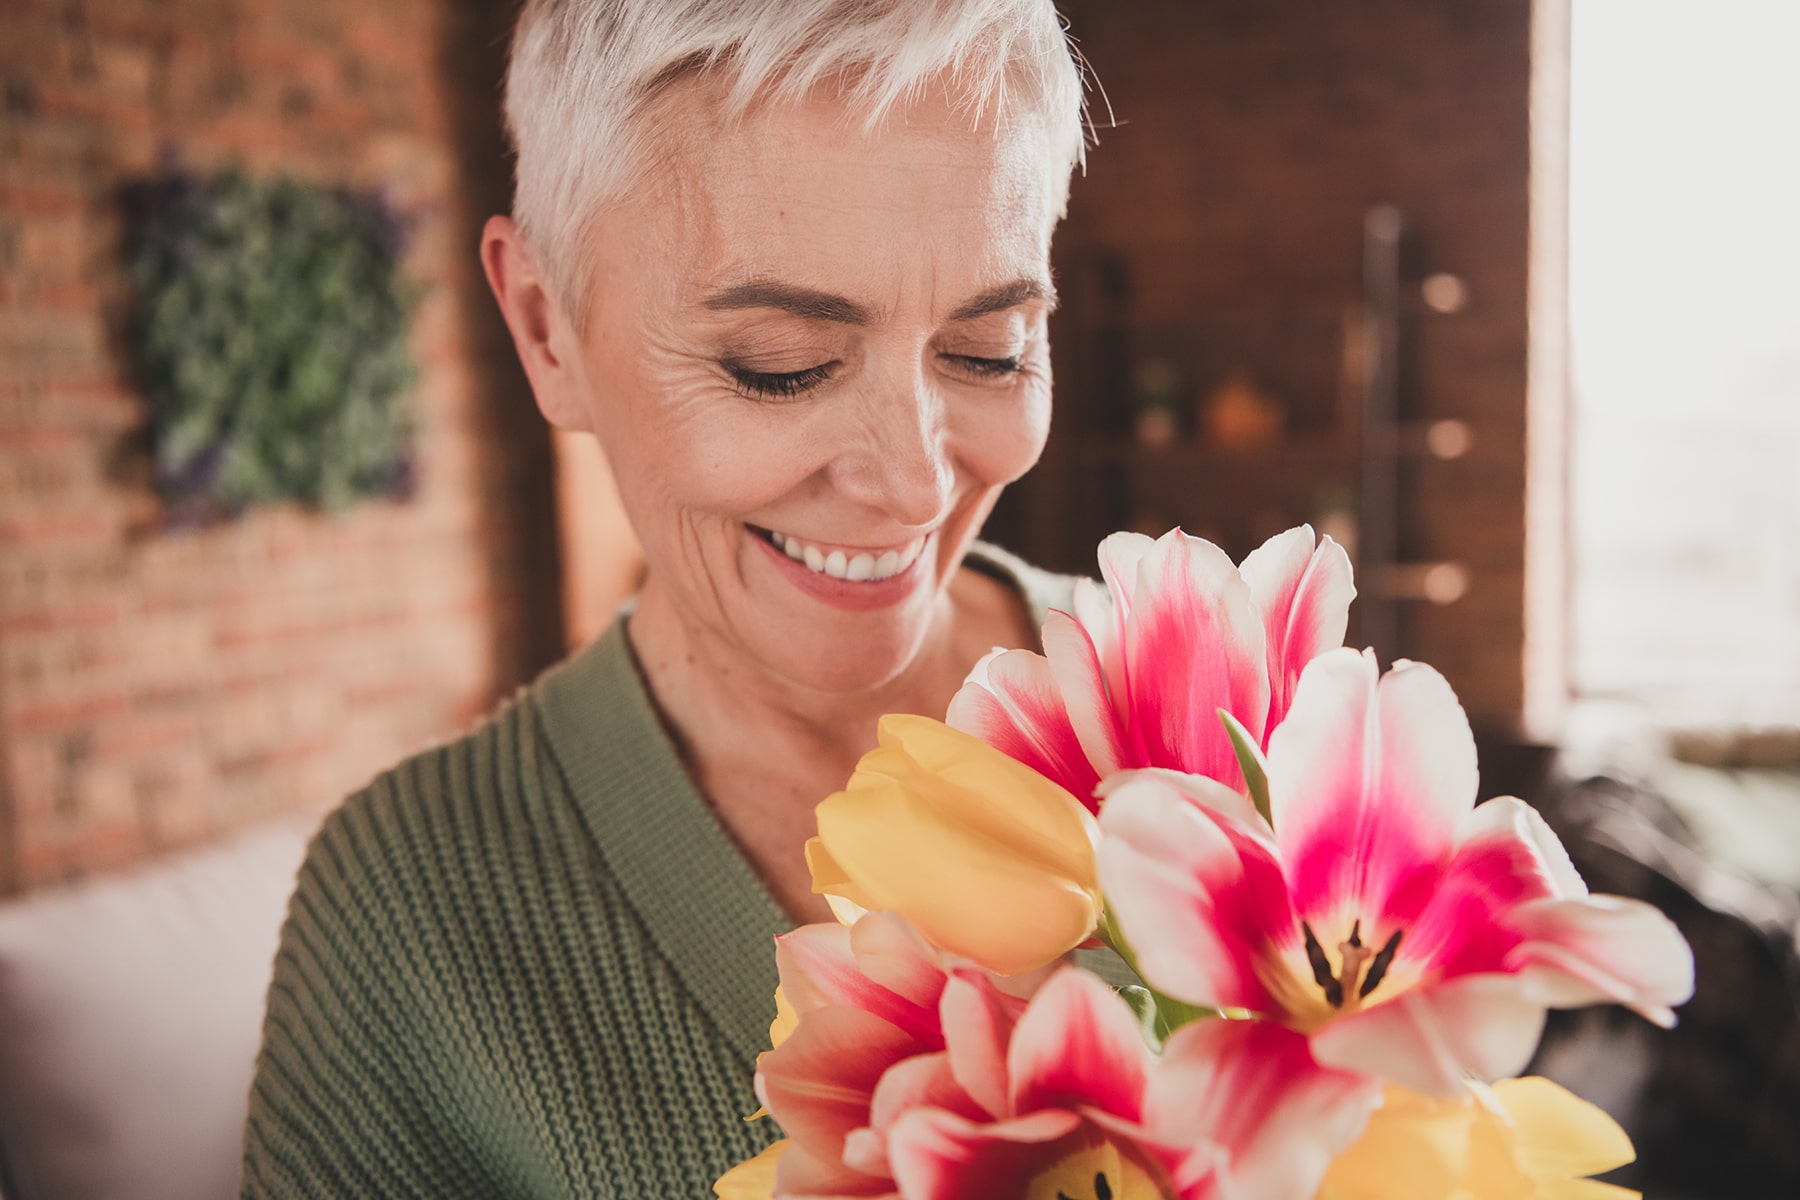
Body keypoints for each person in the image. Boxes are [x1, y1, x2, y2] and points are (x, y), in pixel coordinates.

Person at [240, 1, 1091, 1195]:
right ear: (547, 331)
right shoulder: (407, 911)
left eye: (989, 348)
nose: (914, 479)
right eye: (779, 364)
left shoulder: (1217, 698)